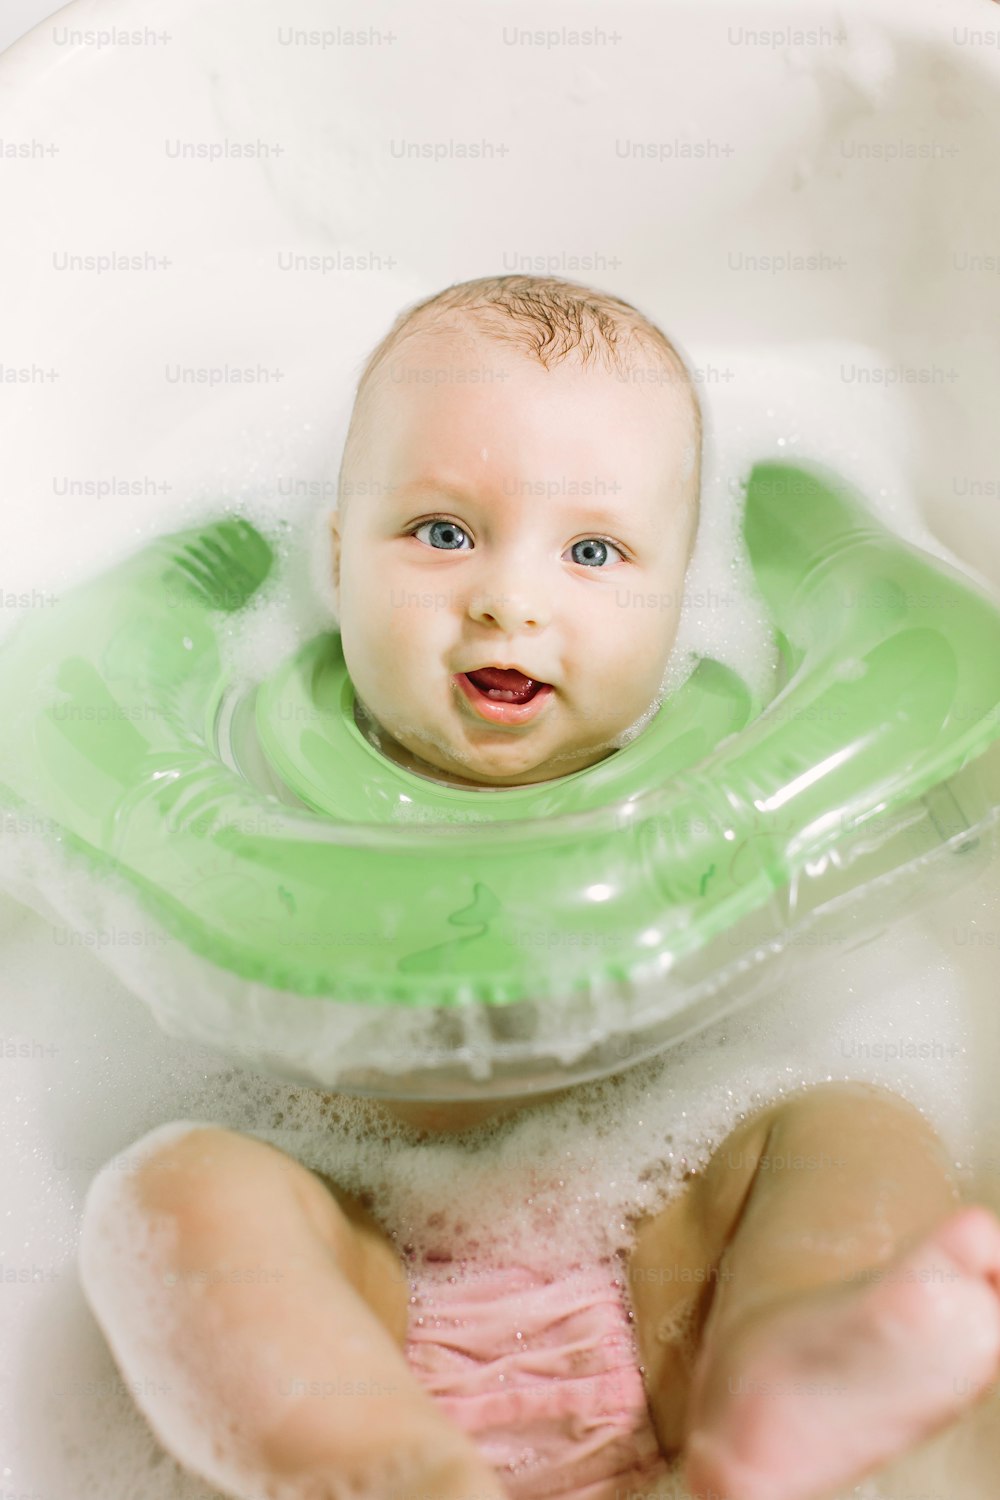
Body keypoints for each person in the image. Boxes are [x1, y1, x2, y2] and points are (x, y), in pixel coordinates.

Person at [79, 276, 1000, 1500]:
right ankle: (373, 1468)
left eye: (593, 551)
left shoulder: (725, 776)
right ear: (338, 555)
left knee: (848, 1129)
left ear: (680, 604)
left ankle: (786, 1380)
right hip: (368, 1274)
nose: (511, 597)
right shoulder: (252, 773)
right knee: (174, 1191)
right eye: (443, 533)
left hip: (668, 1275)